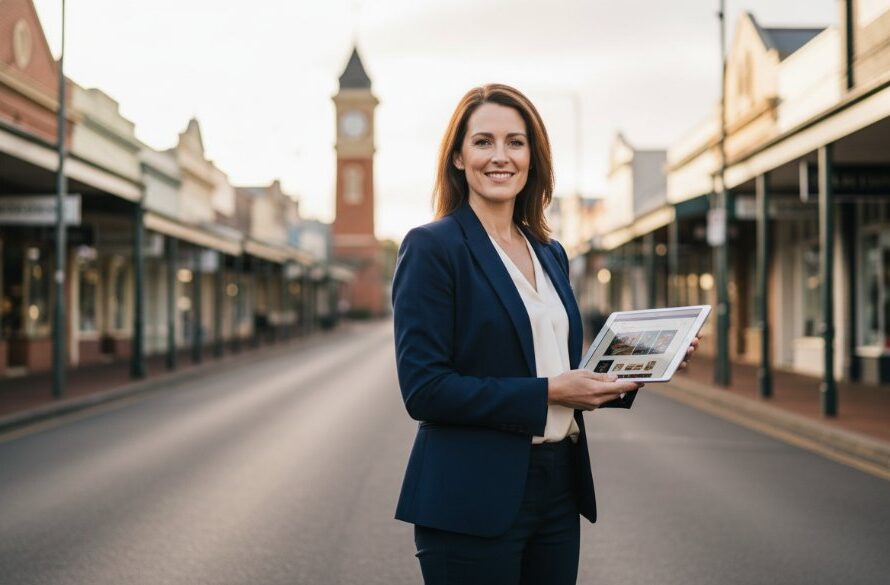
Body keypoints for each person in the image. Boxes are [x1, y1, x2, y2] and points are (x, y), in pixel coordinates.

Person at [391, 83, 697, 585]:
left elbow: (558, 365)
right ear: (458, 157)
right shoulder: (433, 247)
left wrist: (643, 366)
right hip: (471, 496)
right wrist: (551, 392)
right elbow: (425, 390)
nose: (500, 156)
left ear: (533, 157)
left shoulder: (550, 252)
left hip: (558, 487)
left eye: (516, 142)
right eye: (483, 141)